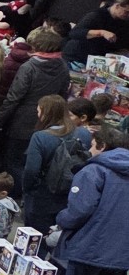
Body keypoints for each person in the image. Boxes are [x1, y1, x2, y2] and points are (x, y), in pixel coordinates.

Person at [55, 124, 129, 275]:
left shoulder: (93, 171)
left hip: (88, 250)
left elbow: (79, 210)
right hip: (121, 257)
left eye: (93, 145)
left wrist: (60, 219)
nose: (89, 150)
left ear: (102, 146)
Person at [0, 28, 71, 185]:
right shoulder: (63, 66)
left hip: (21, 122)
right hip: (47, 121)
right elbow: (62, 95)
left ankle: (10, 193)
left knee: (12, 162)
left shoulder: (29, 67)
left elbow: (13, 98)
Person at [22, 95, 87, 231]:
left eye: (39, 111)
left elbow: (31, 170)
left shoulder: (40, 137)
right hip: (69, 194)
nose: (37, 115)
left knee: (34, 234)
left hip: (42, 195)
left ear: (46, 113)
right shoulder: (83, 134)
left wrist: (27, 189)